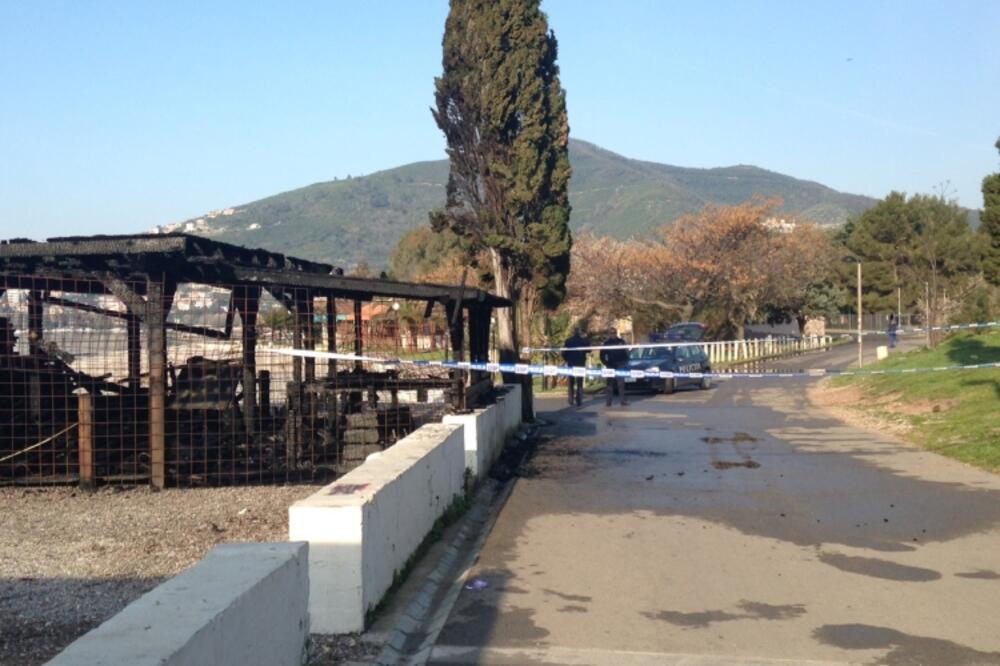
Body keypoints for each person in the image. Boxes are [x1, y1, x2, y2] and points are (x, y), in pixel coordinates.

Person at [599, 328, 629, 407]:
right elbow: (601, 355)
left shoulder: (621, 342)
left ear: (616, 333)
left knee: (621, 384)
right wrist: (606, 363)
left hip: (620, 365)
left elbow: (626, 353)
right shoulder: (606, 343)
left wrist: (625, 362)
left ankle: (623, 401)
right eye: (611, 333)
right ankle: (609, 402)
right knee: (609, 384)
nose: (613, 334)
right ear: (609, 334)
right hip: (610, 365)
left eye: (614, 333)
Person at [561, 328, 589, 406]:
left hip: (571, 363)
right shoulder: (583, 341)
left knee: (571, 382)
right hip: (580, 363)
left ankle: (570, 399)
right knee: (579, 383)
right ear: (580, 333)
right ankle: (579, 400)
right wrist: (586, 338)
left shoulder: (568, 341)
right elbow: (589, 350)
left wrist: (567, 359)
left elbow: (563, 353)